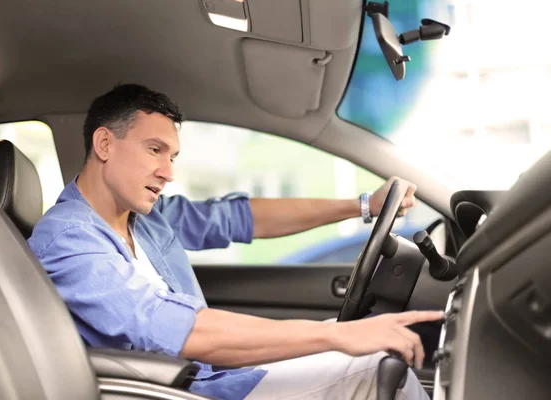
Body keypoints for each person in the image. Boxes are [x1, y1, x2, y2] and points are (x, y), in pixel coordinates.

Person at [28, 84, 443, 400]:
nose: (167, 171)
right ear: (104, 144)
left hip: (213, 374)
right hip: (180, 390)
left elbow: (238, 217)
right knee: (381, 365)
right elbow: (170, 327)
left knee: (355, 340)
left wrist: (362, 206)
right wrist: (338, 338)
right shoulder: (68, 241)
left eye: (172, 157)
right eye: (154, 149)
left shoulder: (147, 218)